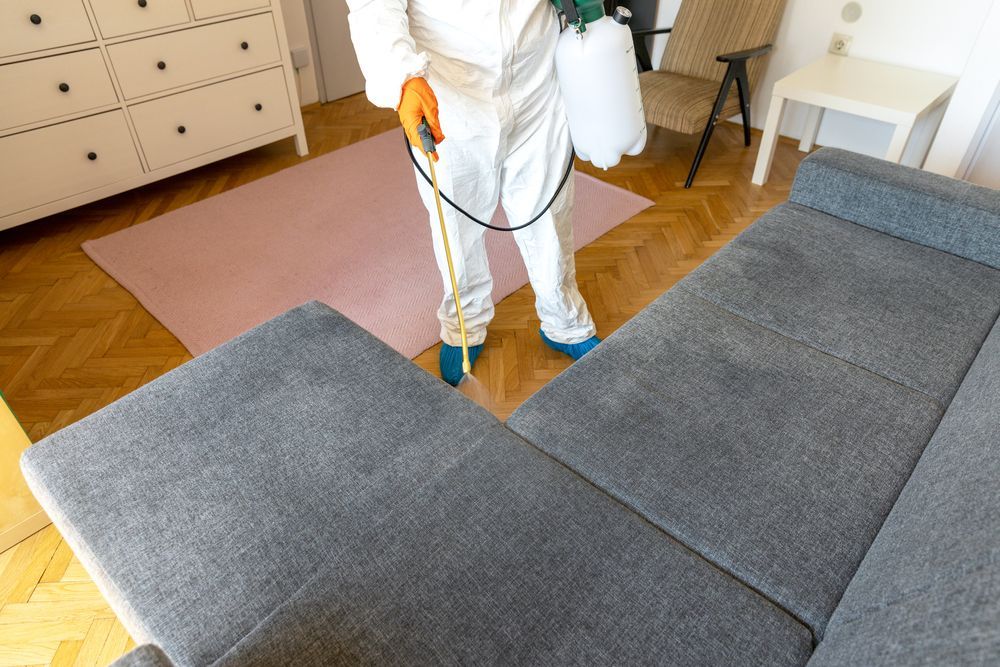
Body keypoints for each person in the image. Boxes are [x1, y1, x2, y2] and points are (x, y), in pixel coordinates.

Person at [347, 0, 600, 386]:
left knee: (550, 216)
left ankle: (565, 322)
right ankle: (463, 327)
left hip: (537, 82)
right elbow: (373, 8)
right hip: (451, 97)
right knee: (457, 229)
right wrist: (402, 76)